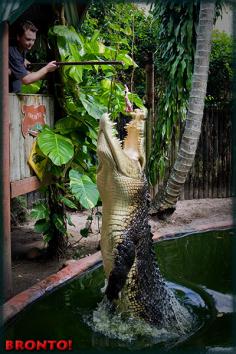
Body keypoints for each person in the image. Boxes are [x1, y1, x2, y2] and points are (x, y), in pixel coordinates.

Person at [9, 20, 58, 93]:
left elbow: (23, 72)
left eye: (33, 40)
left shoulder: (22, 49)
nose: (31, 43)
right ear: (18, 37)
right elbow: (26, 79)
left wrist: (23, 60)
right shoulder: (12, 51)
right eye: (28, 39)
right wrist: (46, 69)